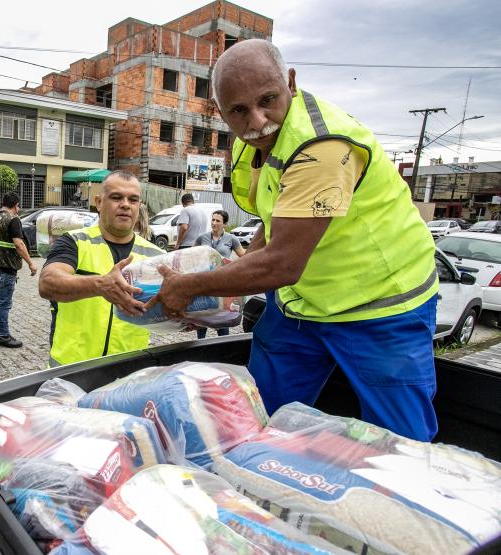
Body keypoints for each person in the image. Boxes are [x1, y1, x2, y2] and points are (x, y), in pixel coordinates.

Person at [149, 39, 439, 441]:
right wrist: (227, 285)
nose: (257, 120)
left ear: (291, 82)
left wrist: (189, 287)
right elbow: (273, 217)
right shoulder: (251, 141)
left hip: (381, 306)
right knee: (257, 416)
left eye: (268, 99)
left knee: (398, 443)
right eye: (239, 110)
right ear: (220, 112)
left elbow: (282, 262)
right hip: (300, 305)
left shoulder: (321, 146)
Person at [39, 171, 165, 367]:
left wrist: (183, 317)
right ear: (98, 202)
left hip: (128, 374)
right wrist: (99, 284)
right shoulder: (75, 242)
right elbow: (47, 283)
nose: (125, 204)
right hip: (71, 371)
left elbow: (162, 309)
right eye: (116, 197)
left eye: (133, 200)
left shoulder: (155, 256)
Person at [0, 192, 37, 348]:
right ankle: (3, 336)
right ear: (16, 205)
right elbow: (19, 244)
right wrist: (30, 263)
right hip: (6, 270)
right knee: (4, 304)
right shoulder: (13, 219)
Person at [193, 210, 246, 339]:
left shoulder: (231, 239)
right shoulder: (202, 237)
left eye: (218, 221)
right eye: (213, 220)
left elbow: (244, 257)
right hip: (204, 283)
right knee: (202, 313)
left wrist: (233, 268)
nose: (214, 223)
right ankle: (200, 344)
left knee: (223, 316)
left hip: (222, 284)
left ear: (225, 224)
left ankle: (223, 342)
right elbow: (193, 255)